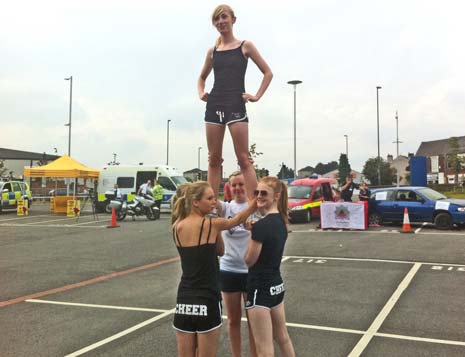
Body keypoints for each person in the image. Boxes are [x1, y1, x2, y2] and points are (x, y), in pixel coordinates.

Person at [171, 181, 257, 357]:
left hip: (184, 299)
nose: (214, 202)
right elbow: (236, 220)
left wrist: (214, 227)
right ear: (195, 202)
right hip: (207, 298)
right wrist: (254, 204)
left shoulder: (176, 226)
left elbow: (219, 250)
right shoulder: (210, 225)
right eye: (210, 198)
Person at [198, 4, 273, 199]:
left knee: (244, 159)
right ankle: (211, 206)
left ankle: (254, 207)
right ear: (214, 23)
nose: (221, 21)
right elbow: (201, 78)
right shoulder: (212, 51)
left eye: (224, 17)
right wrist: (201, 92)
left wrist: (256, 95)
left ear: (233, 19)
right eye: (217, 19)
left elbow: (268, 72)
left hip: (235, 104)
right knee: (214, 160)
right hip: (214, 105)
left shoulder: (245, 46)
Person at [244, 176, 295, 357]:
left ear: (276, 196)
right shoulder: (282, 221)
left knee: (264, 346)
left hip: (260, 288)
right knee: (283, 337)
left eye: (264, 193)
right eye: (257, 192)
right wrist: (255, 230)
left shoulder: (262, 226)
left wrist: (252, 234)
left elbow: (249, 260)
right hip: (276, 285)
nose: (258, 196)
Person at [218, 172, 257, 357]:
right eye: (233, 185)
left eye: (241, 184)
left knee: (254, 321)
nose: (237, 188)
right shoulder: (225, 208)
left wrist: (248, 167)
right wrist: (215, 165)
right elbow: (208, 189)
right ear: (228, 187)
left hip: (251, 271)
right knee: (233, 320)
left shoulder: (255, 206)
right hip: (229, 270)